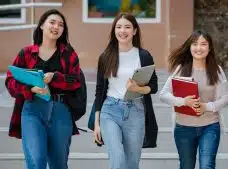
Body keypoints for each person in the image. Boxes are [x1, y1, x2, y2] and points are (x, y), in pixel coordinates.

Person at [5, 9, 81, 169]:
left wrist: (55, 77)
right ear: (41, 25)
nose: (56, 27)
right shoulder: (26, 53)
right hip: (32, 110)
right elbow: (10, 82)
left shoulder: (69, 54)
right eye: (52, 22)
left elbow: (76, 81)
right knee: (37, 161)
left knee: (58, 164)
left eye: (60, 25)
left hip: (61, 110)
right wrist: (30, 89)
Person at [93, 13, 158, 169]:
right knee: (118, 160)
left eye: (127, 27)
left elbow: (154, 86)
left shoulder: (143, 56)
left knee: (131, 164)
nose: (123, 31)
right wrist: (96, 123)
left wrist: (138, 88)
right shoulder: (105, 56)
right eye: (119, 27)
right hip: (110, 110)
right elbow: (100, 90)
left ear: (135, 31)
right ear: (114, 30)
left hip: (136, 111)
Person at [159, 30, 228, 169]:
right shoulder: (181, 69)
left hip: (210, 126)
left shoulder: (217, 70)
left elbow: (225, 98)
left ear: (209, 48)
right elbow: (163, 95)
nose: (199, 48)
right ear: (190, 47)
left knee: (207, 165)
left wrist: (207, 107)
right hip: (184, 128)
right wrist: (183, 101)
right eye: (195, 44)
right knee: (186, 166)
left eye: (203, 44)